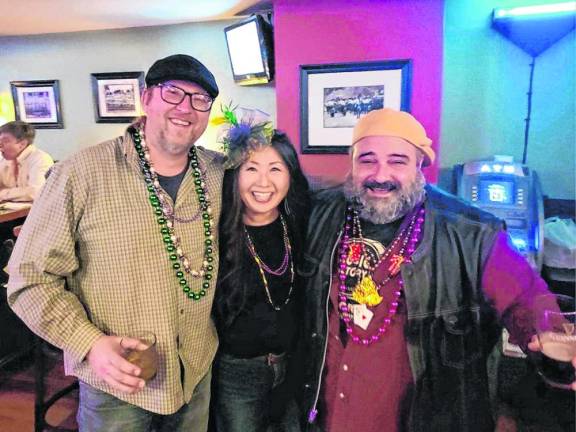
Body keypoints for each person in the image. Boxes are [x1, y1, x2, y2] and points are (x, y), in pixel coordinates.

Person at [299, 108, 573, 432]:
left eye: (398, 161)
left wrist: (549, 339)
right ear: (352, 163)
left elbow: (525, 297)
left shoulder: (471, 233)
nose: (380, 174)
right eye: (367, 159)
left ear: (420, 167)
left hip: (419, 418)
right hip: (327, 413)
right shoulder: (322, 212)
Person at [7, 54, 224, 432]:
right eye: (173, 93)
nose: (186, 108)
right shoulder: (79, 174)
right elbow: (29, 278)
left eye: (200, 99)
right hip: (116, 386)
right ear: (146, 98)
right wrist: (88, 343)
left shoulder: (220, 173)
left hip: (197, 370)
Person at [211, 107, 310, 431]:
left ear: (290, 175)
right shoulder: (217, 234)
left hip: (292, 364)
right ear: (235, 175)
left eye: (275, 169)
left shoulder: (300, 222)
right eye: (251, 168)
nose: (263, 182)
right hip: (237, 372)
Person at [0, 120, 54, 203]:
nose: (0, 145)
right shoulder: (5, 160)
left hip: (35, 213)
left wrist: (3, 193)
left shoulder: (41, 159)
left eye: (5, 141)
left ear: (22, 144)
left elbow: (36, 192)